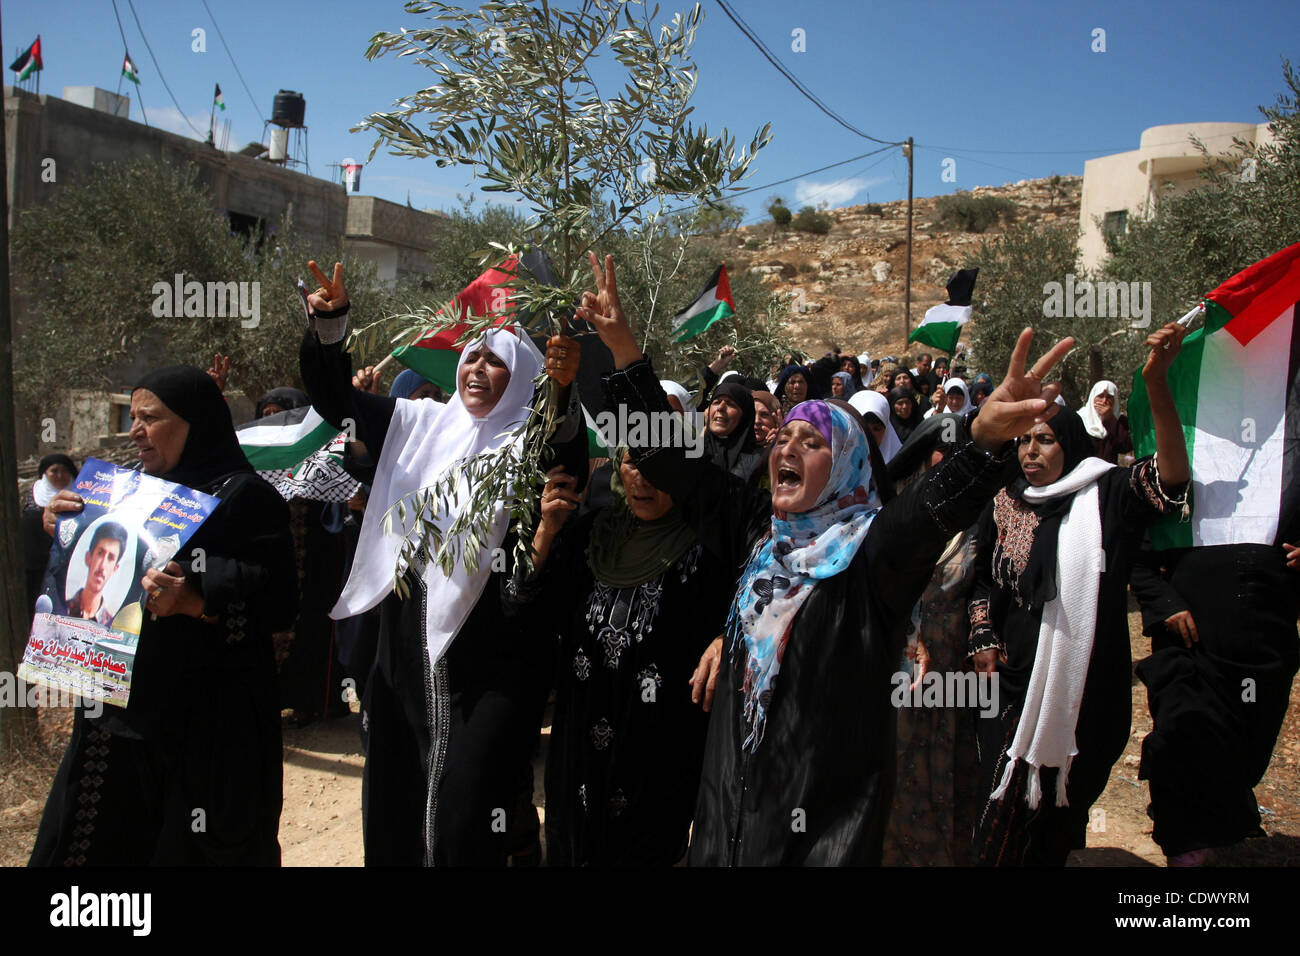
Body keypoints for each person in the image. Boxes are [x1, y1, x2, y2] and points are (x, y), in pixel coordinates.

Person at [576, 251, 1073, 865]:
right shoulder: (761, 534)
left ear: (845, 467)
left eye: (812, 442)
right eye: (785, 436)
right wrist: (624, 350)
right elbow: (674, 462)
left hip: (821, 836)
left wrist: (984, 439)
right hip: (724, 820)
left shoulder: (872, 554)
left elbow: (926, 513)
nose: (788, 445)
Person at [298, 260, 586, 866]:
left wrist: (564, 386)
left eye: (497, 360)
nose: (478, 369)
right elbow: (333, 400)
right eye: (472, 357)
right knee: (398, 792)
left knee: (463, 805)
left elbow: (565, 448)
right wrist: (330, 328)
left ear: (524, 375)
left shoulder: (530, 444)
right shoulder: (416, 424)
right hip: (402, 646)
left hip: (489, 657)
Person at [31, 366, 297, 866]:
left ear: (194, 423)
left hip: (207, 721)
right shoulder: (122, 493)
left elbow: (280, 601)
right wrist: (62, 527)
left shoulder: (245, 498)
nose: (136, 430)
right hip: (117, 717)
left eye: (150, 418)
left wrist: (196, 600)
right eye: (133, 417)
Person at [966, 323, 1191, 866]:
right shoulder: (1004, 500)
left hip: (1087, 696)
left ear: (1069, 440)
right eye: (1022, 441)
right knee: (997, 823)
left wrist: (1154, 384)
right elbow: (981, 580)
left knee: (1060, 821)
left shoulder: (1107, 492)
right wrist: (981, 635)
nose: (1029, 453)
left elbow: (1171, 481)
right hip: (1009, 689)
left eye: (1044, 439)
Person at [504, 449, 733, 865]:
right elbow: (524, 610)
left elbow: (741, 614)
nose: (643, 478)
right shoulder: (591, 534)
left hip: (658, 751)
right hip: (578, 741)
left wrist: (723, 637)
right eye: (632, 463)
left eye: (659, 465)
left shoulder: (709, 547)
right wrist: (545, 533)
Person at [1132, 536, 1299, 865]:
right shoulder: (1176, 491)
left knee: (1245, 741)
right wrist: (1166, 605)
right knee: (1179, 731)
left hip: (1261, 649)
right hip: (1187, 643)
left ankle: (1229, 817)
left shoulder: (1290, 486)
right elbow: (1138, 560)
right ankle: (1183, 843)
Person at [882, 416, 982, 865]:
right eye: (937, 450)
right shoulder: (896, 512)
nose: (944, 459)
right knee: (895, 765)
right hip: (897, 662)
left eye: (956, 449)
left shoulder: (985, 518)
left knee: (944, 768)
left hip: (953, 669)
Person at [22, 454, 77, 627]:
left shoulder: (81, 498)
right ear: (44, 474)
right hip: (35, 570)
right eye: (54, 471)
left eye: (64, 471)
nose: (60, 475)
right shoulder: (33, 496)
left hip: (68, 571)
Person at [63, 521, 129, 626]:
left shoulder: (112, 624)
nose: (102, 566)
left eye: (110, 558)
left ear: (115, 569)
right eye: (100, 553)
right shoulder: (61, 609)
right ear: (88, 558)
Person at [703, 380, 763, 481]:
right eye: (716, 402)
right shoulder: (691, 451)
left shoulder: (758, 460)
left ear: (745, 416)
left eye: (731, 404)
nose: (720, 408)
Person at [1078, 380, 1132, 464]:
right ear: (1093, 397)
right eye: (1100, 396)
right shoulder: (1080, 418)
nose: (1104, 401)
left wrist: (1109, 418)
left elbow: (1124, 447)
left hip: (1110, 473)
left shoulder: (1120, 421)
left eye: (1109, 397)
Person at [848, 389, 903, 462]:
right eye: (863, 428)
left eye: (876, 429)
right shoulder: (835, 465)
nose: (869, 435)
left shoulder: (901, 465)